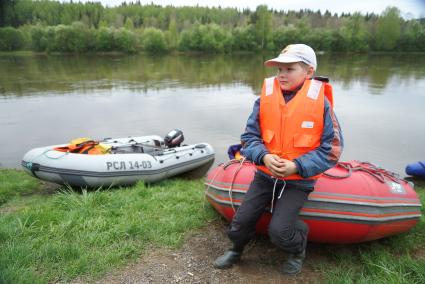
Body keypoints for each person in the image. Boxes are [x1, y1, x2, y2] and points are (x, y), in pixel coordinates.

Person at [213, 44, 344, 275]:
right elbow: (249, 138)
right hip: (265, 176)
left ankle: (297, 249)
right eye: (279, 69)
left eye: (289, 69)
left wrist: (297, 165)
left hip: (298, 181)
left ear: (309, 72)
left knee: (280, 231)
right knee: (240, 223)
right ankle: (236, 249)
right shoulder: (264, 98)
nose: (281, 74)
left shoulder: (321, 104)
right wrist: (264, 156)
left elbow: (332, 149)